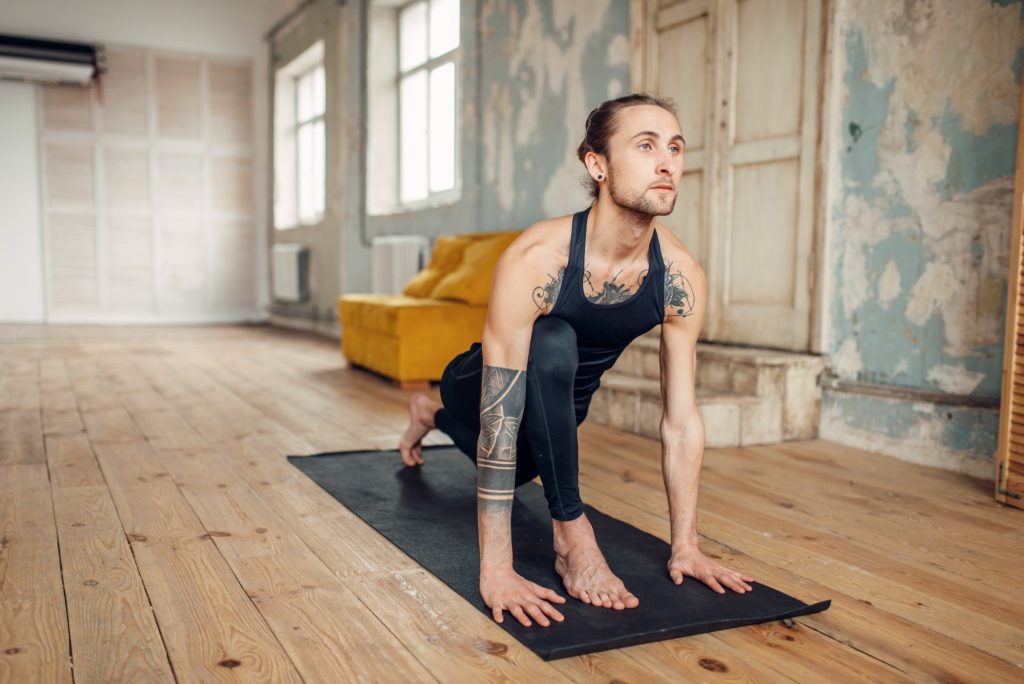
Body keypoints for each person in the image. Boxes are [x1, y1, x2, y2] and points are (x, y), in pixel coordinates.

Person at [399, 93, 754, 629]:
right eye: (645, 145)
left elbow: (681, 422)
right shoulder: (538, 258)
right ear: (598, 164)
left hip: (559, 411)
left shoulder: (680, 276)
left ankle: (426, 416)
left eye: (676, 148)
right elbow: (500, 416)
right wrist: (497, 568)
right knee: (554, 340)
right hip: (483, 382)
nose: (667, 162)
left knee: (522, 473)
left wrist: (687, 546)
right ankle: (573, 536)